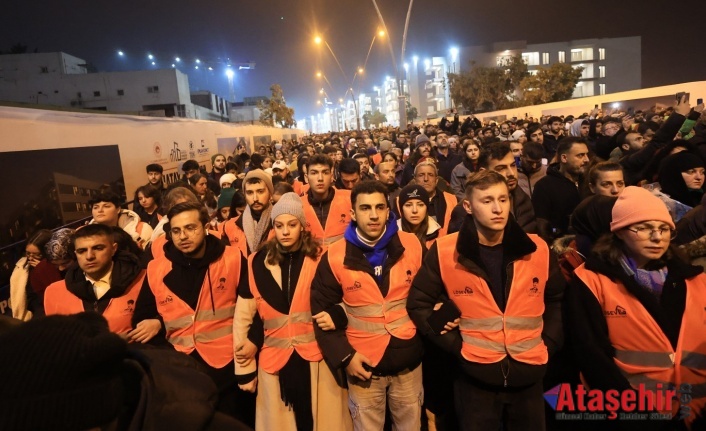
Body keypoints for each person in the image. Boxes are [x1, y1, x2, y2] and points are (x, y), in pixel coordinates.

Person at [407, 170, 565, 431]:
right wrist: (456, 347)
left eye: (503, 200)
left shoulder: (537, 248)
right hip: (475, 377)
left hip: (529, 372)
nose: (497, 209)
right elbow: (418, 304)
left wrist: (550, 342)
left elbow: (557, 299)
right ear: (468, 206)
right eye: (487, 201)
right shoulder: (447, 251)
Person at [568, 186, 706, 430]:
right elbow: (591, 353)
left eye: (664, 229)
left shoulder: (694, 279)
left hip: (694, 411)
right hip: (631, 413)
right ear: (620, 232)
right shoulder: (592, 280)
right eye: (643, 228)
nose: (657, 237)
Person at [233, 193, 352, 431]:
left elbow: (347, 297)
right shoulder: (256, 262)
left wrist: (338, 315)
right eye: (279, 225)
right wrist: (244, 370)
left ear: (302, 226)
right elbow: (244, 317)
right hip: (275, 362)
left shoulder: (321, 258)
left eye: (291, 225)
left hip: (317, 357)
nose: (285, 231)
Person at [311, 180, 424, 431]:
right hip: (363, 365)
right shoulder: (334, 255)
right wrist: (345, 357)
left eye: (379, 207)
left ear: (388, 210)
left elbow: (427, 297)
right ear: (352, 213)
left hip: (409, 363)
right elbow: (321, 312)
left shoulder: (413, 246)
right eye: (365, 208)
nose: (373, 215)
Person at [131, 201, 255, 425]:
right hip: (182, 371)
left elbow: (255, 309)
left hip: (228, 366)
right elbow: (142, 319)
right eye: (176, 231)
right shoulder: (155, 268)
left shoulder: (233, 258)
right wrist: (159, 323)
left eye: (190, 228)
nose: (183, 236)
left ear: (206, 226)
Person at [43, 224, 145, 336]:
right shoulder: (54, 292)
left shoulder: (142, 280)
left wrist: (158, 322)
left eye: (98, 248)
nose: (89, 256)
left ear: (113, 249)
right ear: (76, 254)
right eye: (82, 251)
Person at [532, 137, 590, 242]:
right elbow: (542, 225)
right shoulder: (544, 186)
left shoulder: (590, 181)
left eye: (586, 154)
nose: (586, 159)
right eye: (580, 155)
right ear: (564, 158)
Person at [221, 169, 274, 257]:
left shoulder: (280, 223)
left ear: (270, 193)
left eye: (260, 191)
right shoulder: (230, 226)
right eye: (249, 193)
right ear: (244, 195)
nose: (255, 198)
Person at [302, 154, 352, 248]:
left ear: (331, 176)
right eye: (314, 173)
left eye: (325, 172)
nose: (320, 178)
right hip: (310, 261)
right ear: (306, 178)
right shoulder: (299, 205)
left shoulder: (349, 199)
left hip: (341, 260)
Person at [9, 229, 56, 321]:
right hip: (32, 310)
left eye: (36, 254)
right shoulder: (22, 267)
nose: (30, 258)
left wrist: (42, 269)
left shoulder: (54, 266)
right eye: (28, 253)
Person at [88, 191, 153, 250]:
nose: (100, 210)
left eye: (106, 206)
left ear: (118, 209)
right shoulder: (84, 234)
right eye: (96, 207)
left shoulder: (141, 229)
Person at [397, 184, 441, 254]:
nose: (415, 210)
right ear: (401, 209)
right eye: (408, 205)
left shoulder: (439, 235)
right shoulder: (392, 236)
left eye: (420, 205)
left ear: (427, 208)